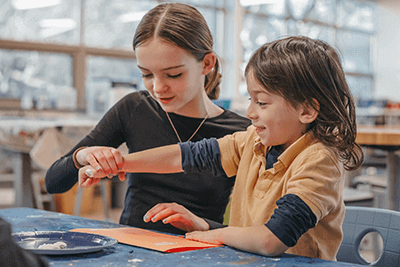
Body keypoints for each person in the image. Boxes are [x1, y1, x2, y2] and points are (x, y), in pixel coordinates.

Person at [78, 36, 364, 261]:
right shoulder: (254, 141)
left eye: (262, 102)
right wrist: (119, 163)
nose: (250, 112)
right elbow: (187, 155)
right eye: (250, 100)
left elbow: (272, 240)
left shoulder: (318, 160)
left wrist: (217, 234)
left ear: (307, 109)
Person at [44, 2, 250, 235]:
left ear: (207, 63)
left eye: (173, 74)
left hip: (200, 252)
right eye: (146, 74)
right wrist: (81, 156)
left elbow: (259, 231)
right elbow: (54, 182)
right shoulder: (135, 108)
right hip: (131, 248)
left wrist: (204, 226)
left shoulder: (241, 133)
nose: (158, 87)